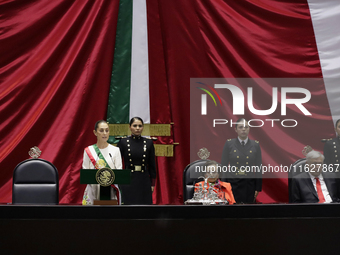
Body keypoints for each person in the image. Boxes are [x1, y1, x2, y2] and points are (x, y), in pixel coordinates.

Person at [221, 118, 262, 204]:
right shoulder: (229, 144)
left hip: (249, 184)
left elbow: (259, 167)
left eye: (246, 127)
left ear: (249, 129)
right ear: (235, 129)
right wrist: (224, 185)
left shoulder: (255, 145)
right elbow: (223, 166)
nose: (243, 129)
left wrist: (258, 187)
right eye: (240, 127)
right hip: (232, 184)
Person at [117, 117, 156, 205]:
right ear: (130, 127)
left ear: (143, 127)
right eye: (135, 126)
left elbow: (152, 164)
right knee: (129, 205)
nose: (137, 128)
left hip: (144, 178)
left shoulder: (148, 143)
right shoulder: (123, 142)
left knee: (144, 206)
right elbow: (117, 162)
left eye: (140, 126)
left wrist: (152, 183)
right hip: (128, 178)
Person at [82, 120, 122, 205]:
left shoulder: (115, 150)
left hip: (110, 192)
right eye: (101, 130)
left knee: (109, 216)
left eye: (107, 130)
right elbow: (85, 173)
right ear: (95, 132)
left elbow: (119, 173)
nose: (104, 133)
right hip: (93, 192)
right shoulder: (89, 150)